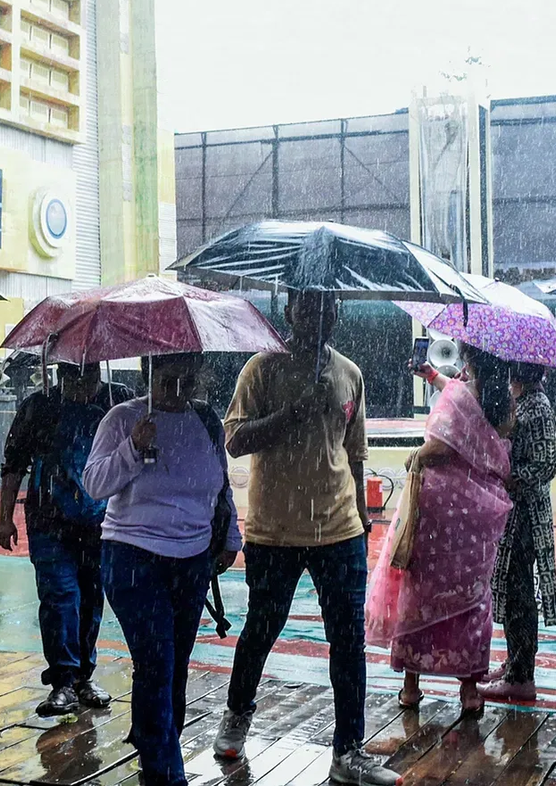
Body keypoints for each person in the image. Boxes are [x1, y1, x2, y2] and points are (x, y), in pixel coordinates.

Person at [214, 291, 399, 786]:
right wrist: (291, 413)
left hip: (339, 531)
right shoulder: (261, 369)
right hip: (275, 531)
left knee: (348, 641)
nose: (319, 314)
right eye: (308, 305)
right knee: (262, 628)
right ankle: (237, 714)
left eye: (328, 304)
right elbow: (235, 439)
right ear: (289, 310)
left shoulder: (349, 373)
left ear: (338, 310)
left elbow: (354, 453)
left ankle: (348, 750)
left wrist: (361, 519)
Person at [82, 353, 241, 786]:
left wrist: (230, 536)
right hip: (133, 556)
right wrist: (132, 448)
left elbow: (220, 484)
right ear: (148, 376)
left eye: (187, 382)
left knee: (174, 664)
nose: (177, 392)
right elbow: (95, 484)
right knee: (156, 662)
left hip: (191, 559)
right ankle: (166, 773)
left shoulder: (205, 420)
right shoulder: (122, 419)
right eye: (168, 381)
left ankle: (154, 740)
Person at [368, 345, 514, 719]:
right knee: (472, 597)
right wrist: (434, 377)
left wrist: (415, 456)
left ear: (471, 358)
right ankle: (469, 690)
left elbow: (441, 448)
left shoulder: (462, 395)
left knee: (421, 591)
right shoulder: (502, 400)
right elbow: (474, 421)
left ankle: (411, 685)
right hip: (479, 515)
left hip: (438, 512)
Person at [0, 362, 135, 716]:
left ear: (99, 373)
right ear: (60, 375)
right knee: (59, 596)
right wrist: (4, 518)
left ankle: (83, 675)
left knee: (91, 598)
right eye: (72, 377)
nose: (81, 385)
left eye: (88, 377)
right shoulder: (38, 406)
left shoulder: (119, 401)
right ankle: (63, 680)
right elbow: (14, 463)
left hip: (102, 522)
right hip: (49, 520)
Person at [480, 362, 556, 702]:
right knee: (514, 591)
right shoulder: (525, 402)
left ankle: (521, 674)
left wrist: (513, 477)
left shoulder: (536, 406)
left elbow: (546, 465)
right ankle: (515, 661)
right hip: (517, 513)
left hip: (525, 514)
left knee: (519, 594)